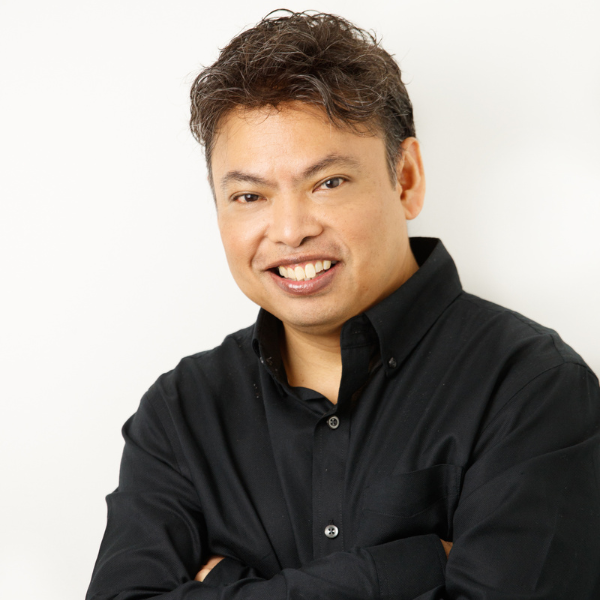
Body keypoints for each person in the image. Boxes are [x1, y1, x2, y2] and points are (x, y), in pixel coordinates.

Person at [86, 10, 600, 600]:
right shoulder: (181, 414)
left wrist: (224, 585)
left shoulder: (533, 389)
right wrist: (407, 568)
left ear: (406, 179)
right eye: (249, 195)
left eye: (327, 183)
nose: (290, 230)